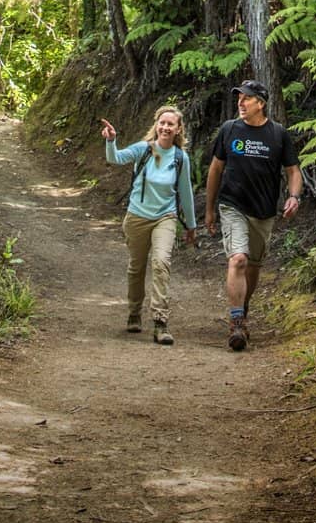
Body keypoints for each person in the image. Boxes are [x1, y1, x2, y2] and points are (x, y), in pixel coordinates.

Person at [204, 79, 303, 351]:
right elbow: (215, 170)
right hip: (232, 205)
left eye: (246, 98)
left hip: (263, 211)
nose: (241, 102)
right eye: (239, 98)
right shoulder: (229, 130)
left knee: (254, 266)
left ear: (260, 103)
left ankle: (242, 308)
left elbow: (293, 171)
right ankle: (236, 323)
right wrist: (210, 209)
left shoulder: (278, 134)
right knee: (238, 259)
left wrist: (294, 197)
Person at [100, 105, 197, 345]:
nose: (165, 127)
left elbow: (185, 193)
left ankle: (160, 322)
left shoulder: (179, 158)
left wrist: (191, 227)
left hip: (165, 217)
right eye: (162, 123)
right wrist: (111, 140)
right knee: (136, 267)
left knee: (161, 262)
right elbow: (115, 158)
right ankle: (134, 312)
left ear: (178, 129)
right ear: (156, 125)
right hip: (137, 217)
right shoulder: (143, 150)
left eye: (170, 124)